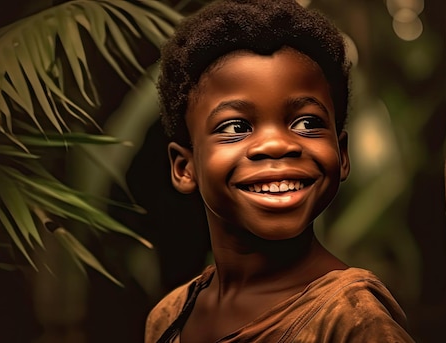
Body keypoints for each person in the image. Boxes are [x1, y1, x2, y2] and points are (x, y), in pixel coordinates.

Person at [145, 0, 415, 342]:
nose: (276, 145)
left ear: (342, 154)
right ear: (185, 167)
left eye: (306, 122)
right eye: (234, 127)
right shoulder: (169, 317)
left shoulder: (352, 319)